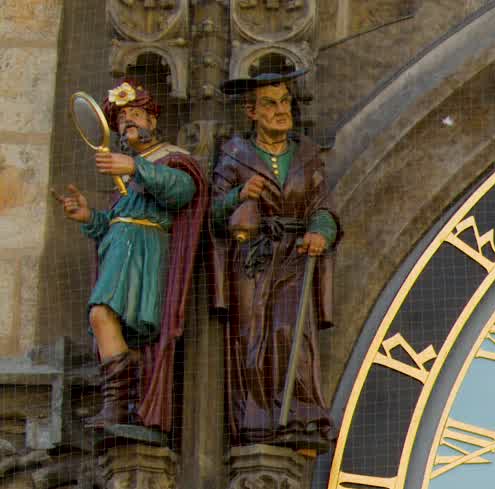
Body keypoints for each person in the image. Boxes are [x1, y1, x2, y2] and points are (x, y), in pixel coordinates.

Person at [53, 79, 208, 435]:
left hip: (146, 253)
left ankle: (119, 404)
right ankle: (120, 403)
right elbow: (114, 223)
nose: (128, 123)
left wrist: (135, 168)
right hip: (120, 251)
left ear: (153, 120)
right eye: (122, 120)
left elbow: (184, 192)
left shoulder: (172, 159)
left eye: (136, 114)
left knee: (102, 314)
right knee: (103, 318)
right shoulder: (130, 171)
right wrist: (88, 217)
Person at [211, 69, 340, 450]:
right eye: (270, 104)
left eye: (285, 102)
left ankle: (300, 415)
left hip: (295, 254)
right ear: (251, 112)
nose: (281, 111)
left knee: (291, 331)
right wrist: (237, 197)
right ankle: (257, 419)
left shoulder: (306, 155)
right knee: (252, 336)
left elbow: (323, 206)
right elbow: (213, 214)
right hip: (252, 254)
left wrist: (321, 232)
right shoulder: (235, 155)